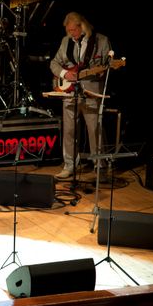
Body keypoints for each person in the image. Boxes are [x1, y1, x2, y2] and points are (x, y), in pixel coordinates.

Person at [49, 12, 111, 180]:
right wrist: (64, 74)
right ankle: (69, 165)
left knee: (94, 130)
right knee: (69, 131)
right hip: (70, 92)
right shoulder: (66, 41)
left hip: (91, 92)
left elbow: (107, 66)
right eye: (68, 31)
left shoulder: (101, 41)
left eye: (73, 30)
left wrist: (102, 71)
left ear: (82, 26)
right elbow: (54, 63)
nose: (71, 34)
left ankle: (100, 166)